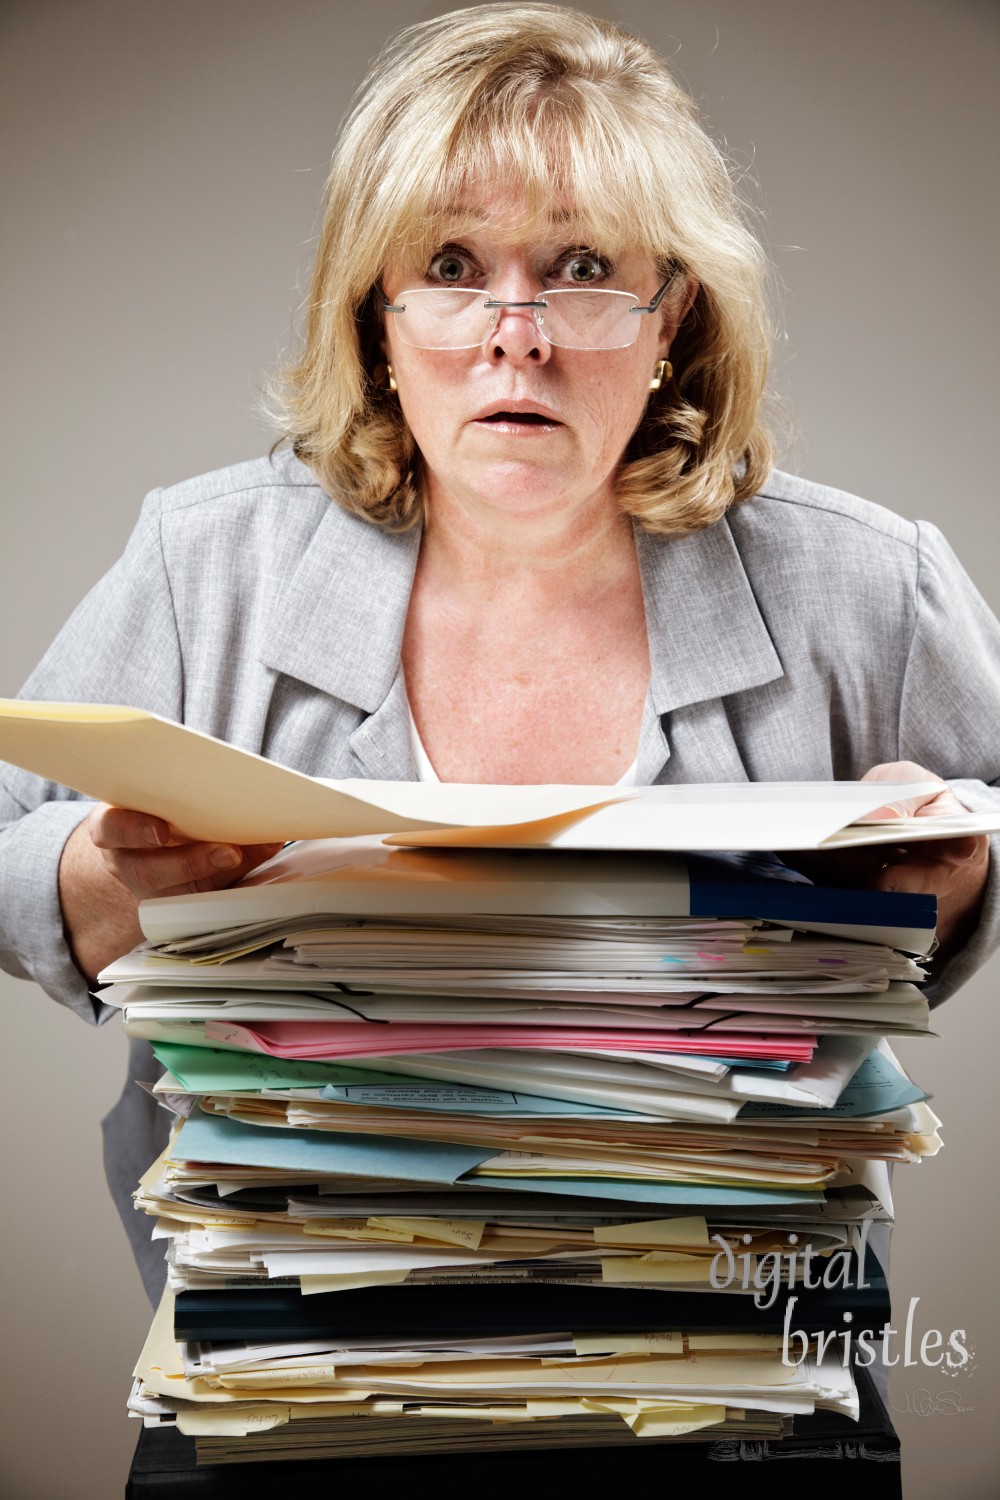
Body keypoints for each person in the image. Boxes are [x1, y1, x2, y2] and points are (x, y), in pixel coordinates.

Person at [1, 3, 998, 1306]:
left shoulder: (872, 587)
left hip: (746, 1373)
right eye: (455, 264)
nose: (513, 330)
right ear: (378, 320)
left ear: (671, 319)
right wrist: (89, 886)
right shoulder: (207, 569)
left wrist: (953, 887)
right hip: (292, 1371)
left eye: (582, 267)